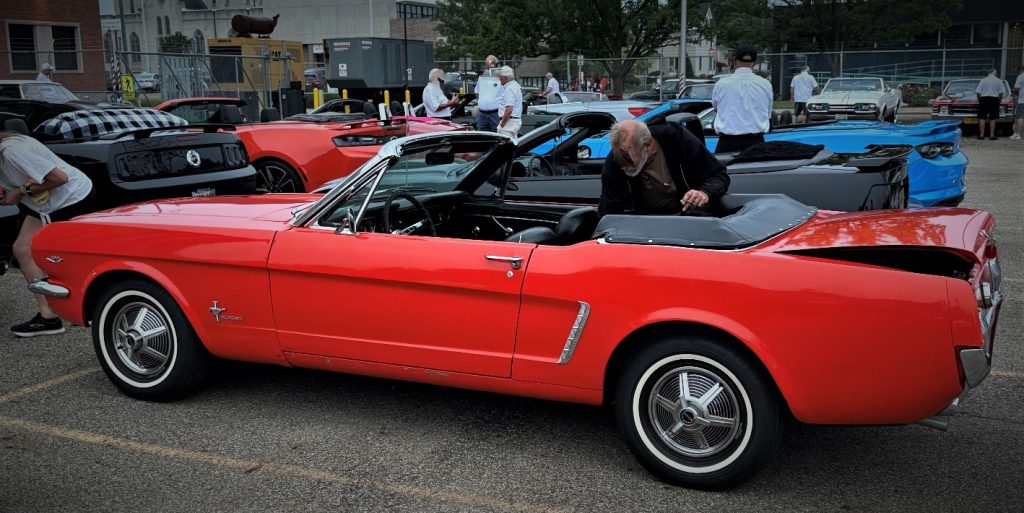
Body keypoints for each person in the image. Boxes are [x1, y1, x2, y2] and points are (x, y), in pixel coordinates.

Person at [0, 130, 95, 337]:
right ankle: (49, 316)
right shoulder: (8, 142)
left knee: (59, 257)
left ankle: (75, 309)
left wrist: (19, 192)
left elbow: (59, 178)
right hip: (45, 203)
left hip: (70, 199)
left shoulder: (12, 151)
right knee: (22, 248)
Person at [599, 119, 729, 217]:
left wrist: (704, 192)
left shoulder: (678, 140)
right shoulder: (615, 159)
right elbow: (609, 210)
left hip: (688, 220)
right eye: (619, 154)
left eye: (628, 157)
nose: (623, 164)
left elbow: (719, 175)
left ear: (647, 145)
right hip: (642, 226)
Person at [711, 45, 774, 153]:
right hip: (756, 143)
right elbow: (767, 114)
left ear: (735, 62)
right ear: (755, 63)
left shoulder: (721, 84)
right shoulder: (765, 84)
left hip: (727, 143)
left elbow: (716, 108)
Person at [474, 55, 503, 132]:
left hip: (495, 113)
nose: (489, 65)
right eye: (487, 63)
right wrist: (482, 102)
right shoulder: (482, 77)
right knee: (482, 134)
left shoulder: (499, 77)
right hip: (482, 114)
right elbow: (477, 91)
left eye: (491, 63)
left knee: (496, 134)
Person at [975, 68, 1004, 141]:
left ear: (988, 73)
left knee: (982, 117)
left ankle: (981, 135)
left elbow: (978, 93)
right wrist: (998, 102)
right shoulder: (999, 81)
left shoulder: (983, 80)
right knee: (993, 118)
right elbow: (1000, 93)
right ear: (994, 73)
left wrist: (980, 101)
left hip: (984, 99)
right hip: (994, 99)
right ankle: (992, 135)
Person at [496, 66, 523, 138]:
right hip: (513, 120)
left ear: (505, 78)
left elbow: (509, 109)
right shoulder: (515, 85)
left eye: (500, 77)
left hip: (509, 122)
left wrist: (502, 123)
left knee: (505, 146)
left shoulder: (509, 88)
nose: (499, 79)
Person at [1011, 66, 1024, 141]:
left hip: (1022, 100)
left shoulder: (1021, 76)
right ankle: (1016, 133)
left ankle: (1018, 134)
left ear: (1021, 70)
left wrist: (1013, 93)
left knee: (1019, 117)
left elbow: (1016, 89)